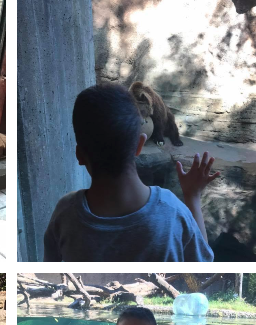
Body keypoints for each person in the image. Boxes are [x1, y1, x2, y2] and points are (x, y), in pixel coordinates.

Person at [44, 83, 219, 262]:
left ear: (79, 155)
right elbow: (202, 261)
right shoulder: (172, 210)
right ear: (139, 145)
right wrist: (192, 196)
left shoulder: (65, 214)